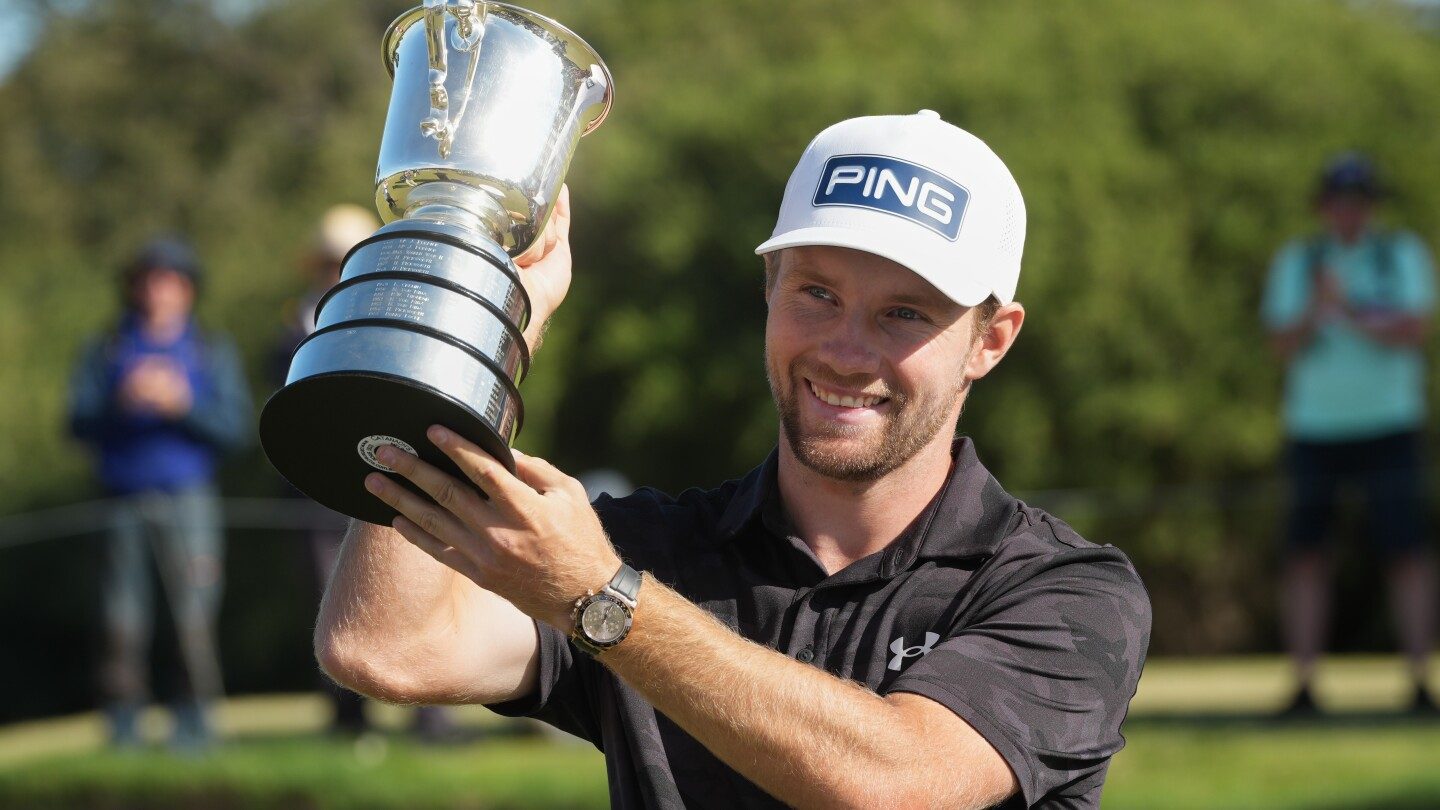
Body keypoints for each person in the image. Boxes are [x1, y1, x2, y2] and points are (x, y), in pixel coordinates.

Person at [315, 112, 1151, 808]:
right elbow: (385, 644)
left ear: (989, 342)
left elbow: (898, 784)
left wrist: (603, 602)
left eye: (903, 312)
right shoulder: (647, 551)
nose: (845, 350)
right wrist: (482, 328)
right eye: (816, 293)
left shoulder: (1067, 591)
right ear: (768, 289)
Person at [273, 204, 458, 741]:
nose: (335, 269)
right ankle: (350, 718)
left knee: (410, 585)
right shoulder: (290, 330)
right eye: (330, 260)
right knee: (328, 600)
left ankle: (430, 714)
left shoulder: (393, 309)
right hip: (312, 490)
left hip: (386, 472)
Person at [1262, 153, 1438, 715]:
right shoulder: (1300, 260)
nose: (1349, 211)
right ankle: (1305, 684)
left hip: (1391, 423)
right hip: (1314, 429)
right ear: (1323, 205)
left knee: (1407, 552)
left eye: (1359, 200)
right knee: (1306, 555)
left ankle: (1419, 680)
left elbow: (1414, 329)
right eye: (1339, 200)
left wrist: (1349, 308)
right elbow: (1281, 343)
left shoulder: (1400, 254)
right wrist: (1319, 306)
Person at [67, 236, 253, 750]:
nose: (157, 290)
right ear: (133, 287)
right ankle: (122, 728)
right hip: (120, 499)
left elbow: (235, 429)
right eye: (148, 279)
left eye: (169, 280)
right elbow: (76, 422)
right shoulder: (104, 347)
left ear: (187, 290)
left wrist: (180, 404)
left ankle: (194, 727)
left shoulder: (209, 349)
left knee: (192, 615)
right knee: (119, 618)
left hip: (190, 499)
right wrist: (120, 401)